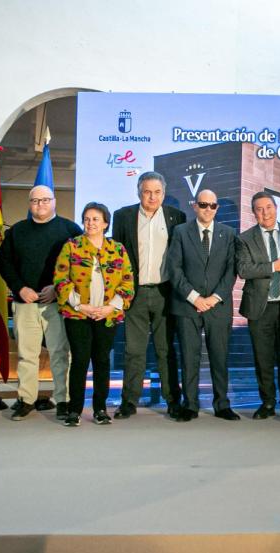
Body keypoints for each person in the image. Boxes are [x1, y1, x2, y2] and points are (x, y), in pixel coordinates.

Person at [0, 185, 82, 421]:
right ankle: (27, 399)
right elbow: (5, 264)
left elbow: (79, 266)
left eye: (45, 200)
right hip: (25, 302)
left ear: (54, 201)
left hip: (57, 303)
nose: (40, 205)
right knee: (27, 354)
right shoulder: (17, 231)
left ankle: (63, 400)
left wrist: (57, 289)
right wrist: (20, 288)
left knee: (60, 353)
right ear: (29, 204)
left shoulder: (70, 229)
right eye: (35, 201)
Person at [111, 171, 186, 420]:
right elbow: (118, 258)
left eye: (156, 192)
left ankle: (173, 400)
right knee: (134, 350)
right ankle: (129, 402)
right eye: (147, 192)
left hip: (166, 292)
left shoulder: (177, 218)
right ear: (138, 192)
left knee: (166, 350)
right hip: (136, 293)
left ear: (163, 193)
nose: (152, 197)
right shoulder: (123, 216)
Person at [54, 202, 134, 426]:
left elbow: (128, 282)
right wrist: (81, 306)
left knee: (101, 361)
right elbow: (61, 280)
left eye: (95, 219)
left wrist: (112, 307)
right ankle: (74, 410)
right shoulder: (71, 247)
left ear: (105, 223)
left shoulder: (117, 249)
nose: (90, 223)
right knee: (79, 361)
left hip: (107, 315)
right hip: (79, 315)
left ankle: (100, 409)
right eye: (87, 219)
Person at [166, 189, 239, 422]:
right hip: (187, 305)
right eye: (203, 204)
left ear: (217, 208)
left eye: (212, 205)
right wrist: (195, 297)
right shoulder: (180, 232)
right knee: (189, 356)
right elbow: (174, 269)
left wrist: (214, 297)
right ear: (195, 206)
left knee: (219, 356)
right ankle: (190, 405)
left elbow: (231, 271)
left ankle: (222, 405)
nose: (208, 209)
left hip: (218, 306)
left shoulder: (228, 233)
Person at [236, 191, 280, 420]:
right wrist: (275, 265)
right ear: (254, 214)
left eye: (268, 208)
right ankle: (268, 403)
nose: (265, 213)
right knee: (263, 359)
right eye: (259, 209)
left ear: (276, 208)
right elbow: (244, 269)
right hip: (260, 307)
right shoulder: (244, 238)